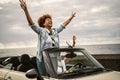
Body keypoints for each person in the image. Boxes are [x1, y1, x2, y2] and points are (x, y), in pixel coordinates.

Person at [19, 0, 76, 75]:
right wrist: (26, 10)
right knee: (44, 76)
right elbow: (31, 24)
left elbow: (63, 25)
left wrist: (71, 17)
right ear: (43, 23)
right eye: (48, 20)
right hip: (43, 58)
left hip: (54, 57)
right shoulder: (41, 31)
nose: (50, 21)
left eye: (51, 20)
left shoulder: (55, 31)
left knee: (54, 75)